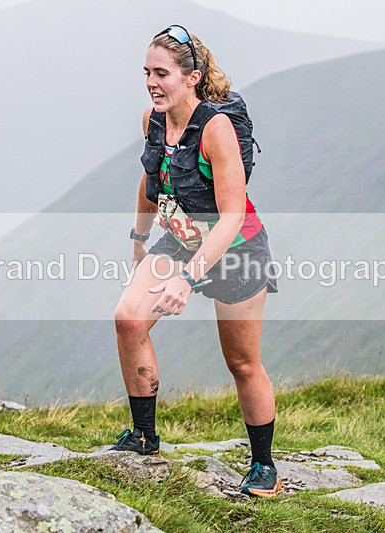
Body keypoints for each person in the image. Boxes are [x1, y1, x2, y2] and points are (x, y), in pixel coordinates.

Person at [112, 25, 282, 498]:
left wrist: (188, 278)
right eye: (146, 71)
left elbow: (230, 216)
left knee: (242, 362)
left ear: (192, 77)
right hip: (182, 238)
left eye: (161, 73)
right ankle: (144, 437)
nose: (151, 81)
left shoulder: (216, 129)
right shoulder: (153, 120)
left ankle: (264, 465)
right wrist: (138, 240)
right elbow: (152, 182)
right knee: (129, 319)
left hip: (238, 248)